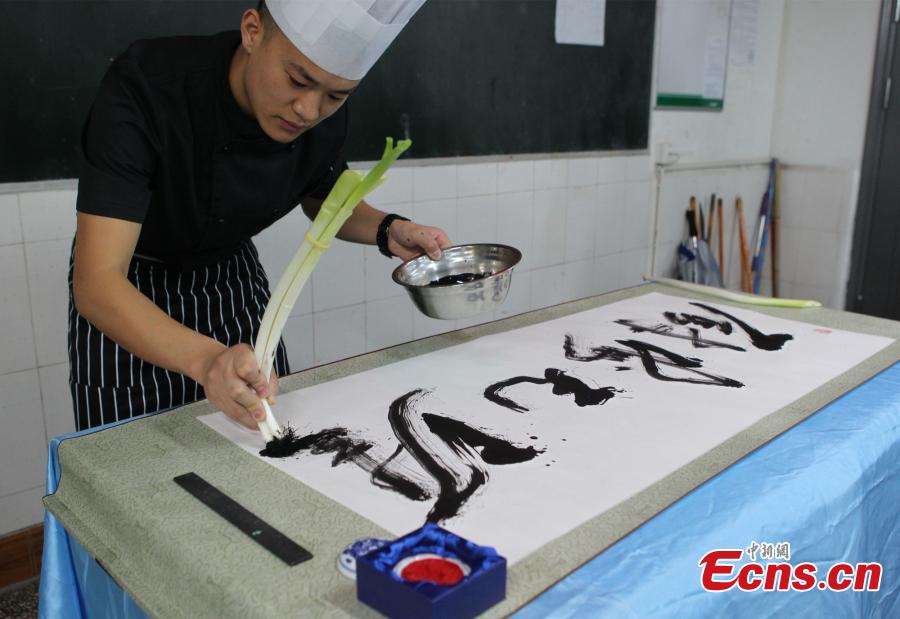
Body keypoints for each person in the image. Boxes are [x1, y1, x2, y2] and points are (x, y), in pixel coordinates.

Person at [69, 0, 449, 433]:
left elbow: (326, 198)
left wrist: (388, 229)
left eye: (335, 96)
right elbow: (97, 281)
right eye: (296, 80)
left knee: (264, 453)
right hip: (131, 295)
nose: (308, 110)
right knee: (135, 476)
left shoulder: (322, 116)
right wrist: (209, 360)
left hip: (232, 285)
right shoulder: (148, 89)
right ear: (252, 31)